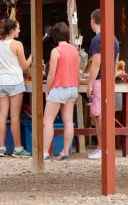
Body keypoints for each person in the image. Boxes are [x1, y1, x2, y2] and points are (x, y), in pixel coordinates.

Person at [0, 18, 32, 157]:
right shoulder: (17, 44)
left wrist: (5, 66)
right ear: (12, 30)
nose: (19, 30)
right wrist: (32, 56)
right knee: (14, 116)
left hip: (2, 81)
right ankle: (18, 148)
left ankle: (2, 148)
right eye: (18, 28)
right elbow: (25, 66)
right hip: (15, 81)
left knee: (2, 115)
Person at [43, 22, 79, 161]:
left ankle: (45, 152)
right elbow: (76, 72)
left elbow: (51, 74)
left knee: (48, 121)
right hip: (72, 88)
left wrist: (47, 88)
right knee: (69, 121)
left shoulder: (56, 51)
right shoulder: (74, 50)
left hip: (58, 88)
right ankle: (65, 151)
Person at [86, 9, 119, 160]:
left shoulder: (97, 40)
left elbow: (96, 62)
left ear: (93, 21)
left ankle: (102, 147)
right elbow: (116, 61)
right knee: (103, 114)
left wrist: (89, 83)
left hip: (99, 80)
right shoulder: (114, 38)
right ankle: (104, 146)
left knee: (98, 115)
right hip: (109, 80)